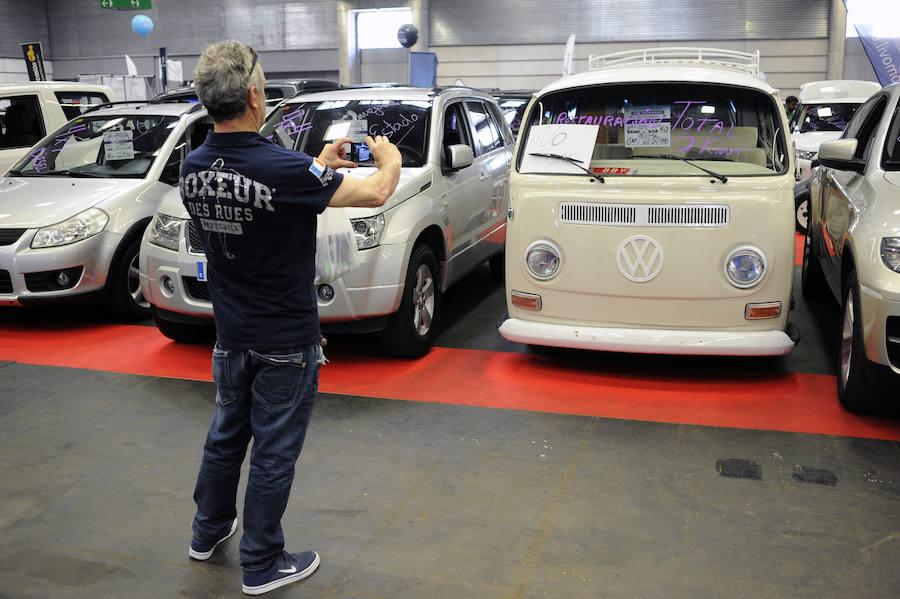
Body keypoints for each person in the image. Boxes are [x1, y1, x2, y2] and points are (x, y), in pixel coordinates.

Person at [182, 40, 401, 596]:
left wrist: (319, 166)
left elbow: (251, 209)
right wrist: (389, 159)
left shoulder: (193, 165)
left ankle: (207, 532)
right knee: (274, 452)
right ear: (256, 96)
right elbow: (377, 191)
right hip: (284, 339)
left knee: (225, 437)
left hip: (231, 335)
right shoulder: (284, 168)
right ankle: (261, 562)